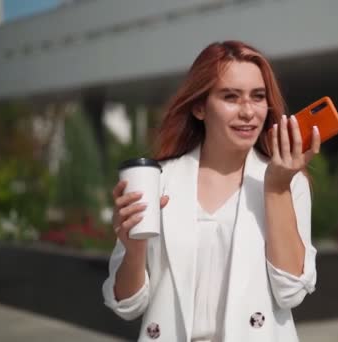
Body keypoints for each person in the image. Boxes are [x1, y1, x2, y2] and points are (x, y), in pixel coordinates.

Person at [102, 40, 320, 342]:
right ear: (200, 107)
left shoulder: (287, 181)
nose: (248, 112)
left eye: (258, 97)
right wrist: (134, 247)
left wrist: (276, 188)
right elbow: (127, 305)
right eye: (230, 97)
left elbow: (292, 291)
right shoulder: (158, 180)